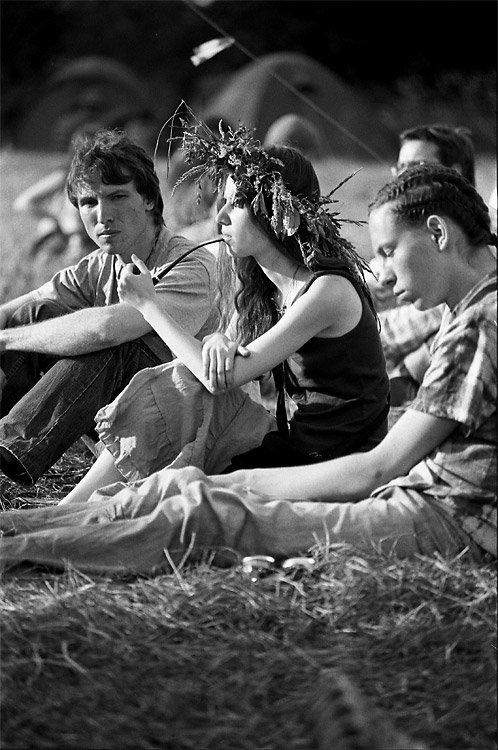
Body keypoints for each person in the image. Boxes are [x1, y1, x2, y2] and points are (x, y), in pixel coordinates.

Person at [0, 163, 495, 574]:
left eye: (388, 251)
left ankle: (20, 548)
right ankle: (23, 527)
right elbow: (225, 363)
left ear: (438, 233)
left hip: (415, 498)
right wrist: (219, 340)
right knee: (178, 478)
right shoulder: (465, 314)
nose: (381, 272)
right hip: (390, 481)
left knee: (199, 507)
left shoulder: (467, 320)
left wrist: (235, 484)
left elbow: (377, 468)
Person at [49, 118, 389, 505]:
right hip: (298, 444)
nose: (220, 216)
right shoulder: (267, 289)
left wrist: (149, 305)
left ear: (277, 213)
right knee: (179, 383)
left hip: (336, 462)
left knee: (184, 387)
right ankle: (78, 505)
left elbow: (221, 379)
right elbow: (223, 357)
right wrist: (216, 340)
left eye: (236, 203)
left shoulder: (327, 290)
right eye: (221, 201)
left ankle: (80, 509)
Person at [0, 128, 219, 486]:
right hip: (122, 424)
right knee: (33, 316)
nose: (103, 215)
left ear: (149, 200)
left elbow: (106, 330)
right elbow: (23, 306)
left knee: (112, 344)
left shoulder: (190, 263)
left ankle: (11, 444)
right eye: (89, 202)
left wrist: (7, 339)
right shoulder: (101, 264)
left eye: (117, 196)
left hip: (185, 434)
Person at [368, 124, 477, 407]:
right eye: (400, 167)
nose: (403, 177)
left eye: (415, 167)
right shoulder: (402, 233)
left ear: (454, 172)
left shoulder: (479, 244)